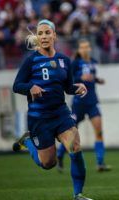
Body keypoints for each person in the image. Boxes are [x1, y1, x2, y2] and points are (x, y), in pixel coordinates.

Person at [12, 19, 92, 200]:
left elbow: (67, 87)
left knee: (75, 147)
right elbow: (17, 86)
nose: (44, 36)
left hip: (60, 114)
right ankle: (29, 142)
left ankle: (78, 194)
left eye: (47, 32)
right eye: (40, 33)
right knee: (48, 163)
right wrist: (30, 87)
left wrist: (77, 87)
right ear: (37, 37)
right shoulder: (31, 61)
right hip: (39, 119)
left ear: (54, 35)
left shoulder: (64, 60)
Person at [57, 39, 111, 172]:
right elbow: (68, 80)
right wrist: (81, 78)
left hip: (93, 102)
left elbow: (91, 77)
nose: (85, 49)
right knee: (70, 134)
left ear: (90, 49)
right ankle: (59, 156)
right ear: (79, 50)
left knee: (99, 131)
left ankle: (100, 162)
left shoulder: (92, 62)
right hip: (78, 103)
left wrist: (97, 80)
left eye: (87, 47)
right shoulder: (75, 63)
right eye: (82, 47)